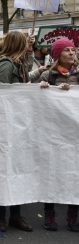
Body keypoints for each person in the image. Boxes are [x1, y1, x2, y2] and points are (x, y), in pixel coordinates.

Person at [0, 31, 33, 233]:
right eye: (25, 44)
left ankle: (15, 214)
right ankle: (1, 215)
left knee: (17, 169)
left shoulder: (18, 64)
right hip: (5, 126)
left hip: (16, 124)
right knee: (4, 170)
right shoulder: (6, 65)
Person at [39, 38, 79, 232]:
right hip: (53, 133)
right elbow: (32, 101)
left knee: (75, 172)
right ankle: (50, 212)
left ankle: (73, 213)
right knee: (52, 171)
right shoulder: (48, 75)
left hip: (74, 134)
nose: (72, 53)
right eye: (67, 50)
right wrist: (44, 89)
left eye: (73, 50)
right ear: (57, 55)